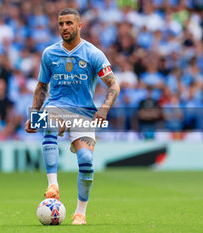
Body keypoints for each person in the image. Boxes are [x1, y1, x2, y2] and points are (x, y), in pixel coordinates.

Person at [25, 8, 119, 225]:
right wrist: (34, 114)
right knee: (49, 123)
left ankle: (80, 212)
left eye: (68, 23)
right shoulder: (49, 53)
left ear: (79, 25)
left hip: (84, 113)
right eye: (61, 24)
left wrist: (104, 107)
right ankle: (53, 184)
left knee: (86, 161)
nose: (64, 28)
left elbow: (114, 84)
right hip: (56, 107)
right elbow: (41, 87)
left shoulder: (93, 54)